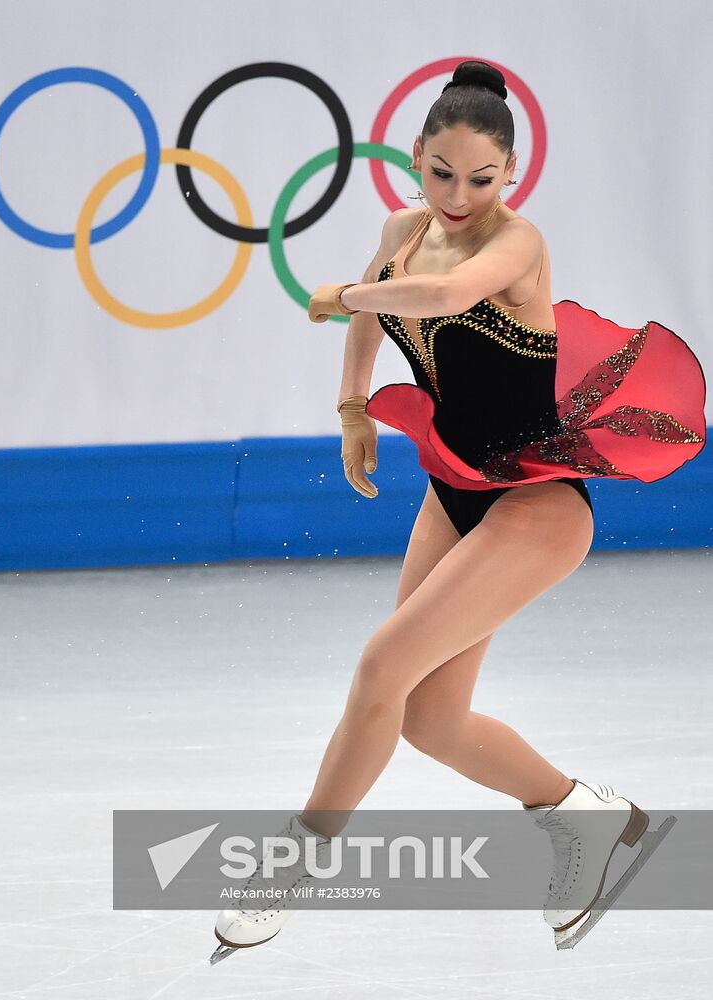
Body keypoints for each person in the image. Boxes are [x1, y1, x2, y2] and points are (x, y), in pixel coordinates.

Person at [210, 60, 705, 964]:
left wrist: (348, 294)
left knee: (377, 667)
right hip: (455, 490)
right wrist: (354, 408)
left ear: (509, 175)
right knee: (425, 717)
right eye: (442, 173)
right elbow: (379, 310)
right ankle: (584, 816)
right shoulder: (404, 228)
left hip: (538, 503)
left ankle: (288, 870)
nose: (460, 195)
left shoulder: (517, 244)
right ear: (417, 158)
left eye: (482, 179)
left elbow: (435, 298)